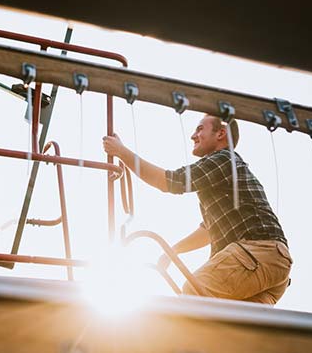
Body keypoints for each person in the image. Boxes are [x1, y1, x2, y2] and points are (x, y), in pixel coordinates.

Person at [102, 114, 292, 305]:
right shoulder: (224, 175)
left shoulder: (224, 159)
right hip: (272, 265)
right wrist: (173, 251)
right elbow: (208, 230)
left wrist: (121, 152)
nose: (193, 135)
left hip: (257, 253)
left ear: (221, 133)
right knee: (226, 325)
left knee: (193, 293)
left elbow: (171, 181)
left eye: (200, 129)